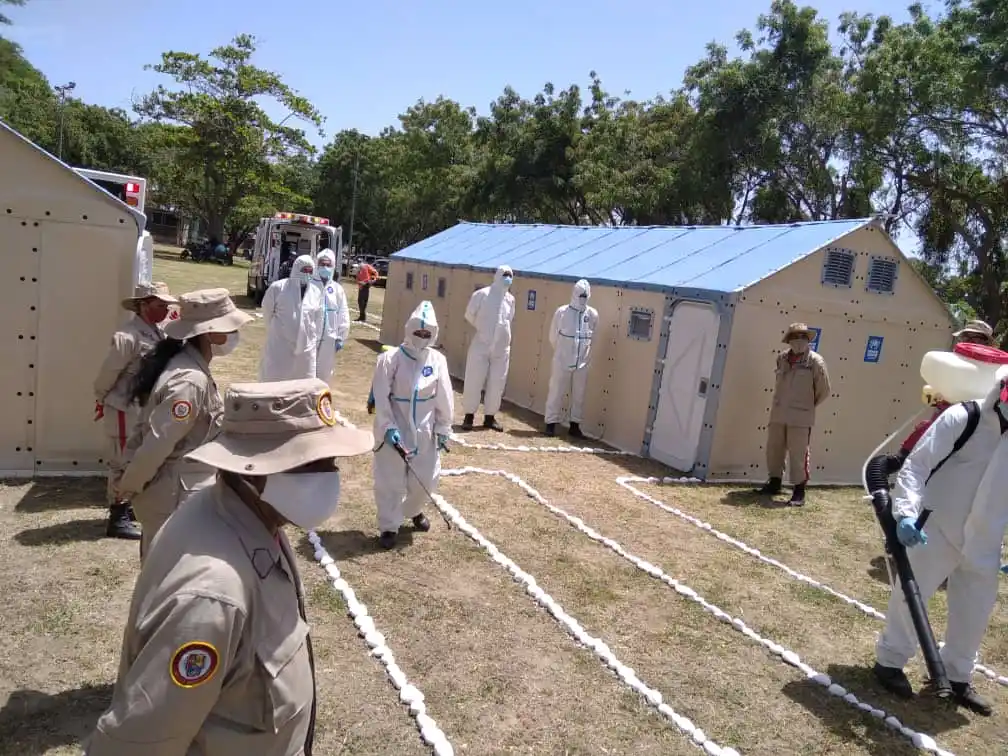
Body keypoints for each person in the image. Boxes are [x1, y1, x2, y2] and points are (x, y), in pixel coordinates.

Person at [85, 378, 374, 754]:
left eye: (330, 462)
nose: (331, 476)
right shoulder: (211, 595)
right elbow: (140, 742)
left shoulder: (252, 516)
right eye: (313, 463)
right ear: (254, 469)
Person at [872, 369, 1008, 716]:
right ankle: (890, 662)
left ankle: (957, 675)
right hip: (936, 528)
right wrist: (904, 514)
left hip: (984, 540)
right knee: (910, 595)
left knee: (974, 612)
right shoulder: (965, 417)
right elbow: (916, 466)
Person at [119, 288, 253, 560]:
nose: (234, 334)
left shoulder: (190, 367)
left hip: (179, 492)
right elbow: (158, 442)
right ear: (209, 333)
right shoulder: (189, 381)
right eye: (230, 327)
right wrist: (129, 486)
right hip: (174, 497)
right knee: (166, 581)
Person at [93, 282, 177, 540]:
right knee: (121, 460)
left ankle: (126, 506)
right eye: (159, 305)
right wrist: (100, 399)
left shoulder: (156, 333)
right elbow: (108, 374)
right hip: (122, 407)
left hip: (139, 408)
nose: (164, 310)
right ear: (143, 305)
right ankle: (117, 517)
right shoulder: (127, 336)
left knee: (135, 457)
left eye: (166, 305)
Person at [372, 301, 454, 549]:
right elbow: (381, 395)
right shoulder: (389, 359)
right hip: (395, 427)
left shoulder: (438, 360)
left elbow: (445, 397)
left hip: (425, 429)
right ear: (409, 330)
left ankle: (413, 510)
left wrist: (443, 428)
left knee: (426, 479)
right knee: (390, 480)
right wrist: (388, 427)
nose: (422, 337)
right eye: (418, 332)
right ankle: (389, 526)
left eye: (427, 333)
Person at [895, 320, 997, 466]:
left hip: (976, 424)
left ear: (987, 343)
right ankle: (900, 459)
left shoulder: (996, 369)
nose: (967, 341)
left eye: (974, 338)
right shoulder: (953, 363)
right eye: (965, 337)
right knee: (926, 429)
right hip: (945, 418)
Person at [755, 322, 831, 506]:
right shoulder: (782, 358)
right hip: (779, 412)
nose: (799, 340)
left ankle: (799, 492)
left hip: (801, 416)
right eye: (795, 336)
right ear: (789, 340)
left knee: (799, 454)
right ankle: (774, 483)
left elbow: (824, 390)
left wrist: (806, 405)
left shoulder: (815, 361)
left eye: (803, 336)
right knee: (774, 449)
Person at [461, 265, 515, 432]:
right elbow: (469, 314)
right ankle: (469, 415)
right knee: (474, 379)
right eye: (504, 275)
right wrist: (482, 327)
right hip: (481, 345)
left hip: (501, 348)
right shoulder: (482, 295)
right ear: (497, 276)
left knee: (497, 382)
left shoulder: (510, 299)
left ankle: (490, 417)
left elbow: (509, 318)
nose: (507, 278)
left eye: (510, 275)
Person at [544, 279, 598, 438]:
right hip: (562, 360)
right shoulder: (562, 312)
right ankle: (550, 424)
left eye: (585, 296)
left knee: (579, 395)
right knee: (556, 391)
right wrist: (563, 352)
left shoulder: (592, 314)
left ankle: (575, 425)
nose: (583, 298)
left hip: (582, 362)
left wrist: (584, 355)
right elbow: (553, 336)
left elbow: (593, 336)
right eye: (580, 295)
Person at [260, 254, 326, 381]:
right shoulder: (278, 288)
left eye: (310, 271)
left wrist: (314, 339)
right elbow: (267, 311)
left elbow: (319, 318)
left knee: (303, 384)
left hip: (306, 348)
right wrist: (277, 331)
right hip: (280, 346)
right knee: (275, 381)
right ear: (296, 269)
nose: (307, 274)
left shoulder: (316, 292)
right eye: (304, 270)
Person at [314, 248, 351, 382]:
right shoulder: (310, 285)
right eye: (322, 264)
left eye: (328, 265)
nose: (325, 267)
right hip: (310, 337)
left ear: (333, 266)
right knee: (306, 371)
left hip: (329, 339)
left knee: (324, 373)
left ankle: (320, 401)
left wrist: (341, 336)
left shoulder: (337, 289)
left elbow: (343, 314)